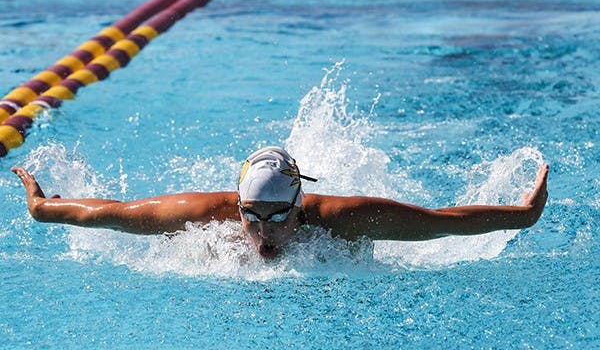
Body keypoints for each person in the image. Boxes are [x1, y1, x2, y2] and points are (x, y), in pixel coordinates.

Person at [12, 146, 548, 259]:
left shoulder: (341, 219)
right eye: (252, 216)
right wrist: (41, 207)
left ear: (299, 205)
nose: (264, 232)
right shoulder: (204, 216)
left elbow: (440, 225)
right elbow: (109, 212)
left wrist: (523, 216)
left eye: (277, 217)